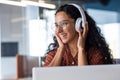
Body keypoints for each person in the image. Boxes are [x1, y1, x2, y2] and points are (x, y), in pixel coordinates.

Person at [43, 3, 113, 67]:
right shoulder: (53, 55)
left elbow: (85, 77)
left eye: (63, 24)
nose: (58, 31)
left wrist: (81, 49)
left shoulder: (94, 54)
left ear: (79, 24)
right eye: (56, 25)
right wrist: (61, 49)